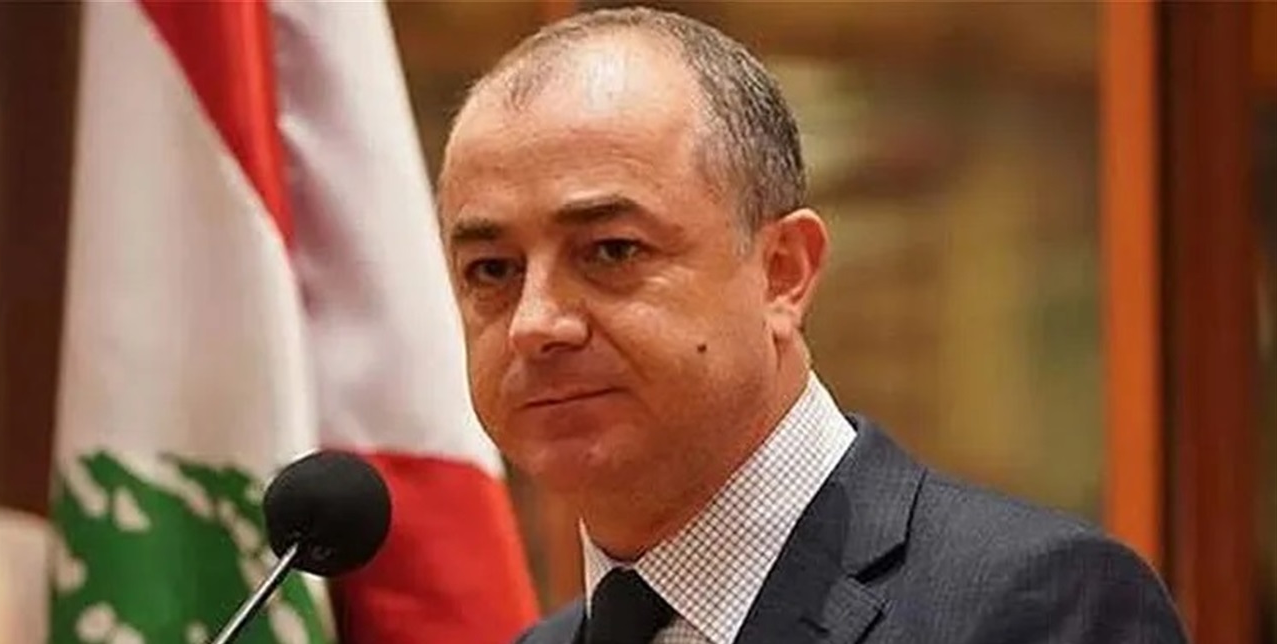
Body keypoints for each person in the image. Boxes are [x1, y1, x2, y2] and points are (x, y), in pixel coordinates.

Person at [434, 6, 1187, 644]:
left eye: (611, 251)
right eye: (492, 270)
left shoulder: (1035, 606)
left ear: (783, 272)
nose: (536, 323)